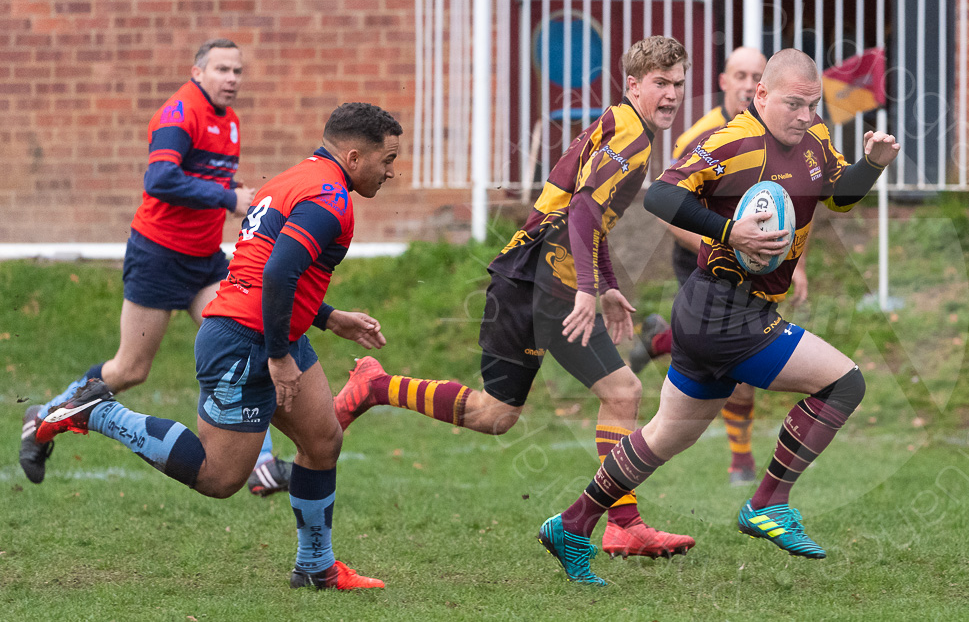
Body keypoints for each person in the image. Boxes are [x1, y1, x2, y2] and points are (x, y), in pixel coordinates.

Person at [536, 48, 900, 585]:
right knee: (844, 383)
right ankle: (768, 504)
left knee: (664, 437)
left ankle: (572, 523)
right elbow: (660, 196)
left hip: (718, 312)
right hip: (724, 312)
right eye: (794, 104)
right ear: (761, 96)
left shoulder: (816, 137)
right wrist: (729, 232)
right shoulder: (732, 141)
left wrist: (871, 164)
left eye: (812, 104)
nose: (804, 115)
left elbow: (839, 197)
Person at [331, 36, 696, 560]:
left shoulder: (622, 125)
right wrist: (590, 290)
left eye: (679, 84)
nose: (671, 95)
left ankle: (376, 386)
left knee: (496, 414)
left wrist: (608, 284)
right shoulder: (631, 137)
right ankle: (623, 524)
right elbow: (585, 215)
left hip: (524, 274)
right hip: (548, 277)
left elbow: (589, 216)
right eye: (660, 84)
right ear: (633, 85)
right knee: (622, 392)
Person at [34, 102, 401, 590]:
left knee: (322, 440)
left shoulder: (292, 181)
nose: (391, 172)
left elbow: (262, 271)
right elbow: (276, 274)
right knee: (219, 477)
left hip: (266, 331)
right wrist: (277, 358)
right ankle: (98, 411)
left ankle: (316, 567)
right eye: (388, 160)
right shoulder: (330, 199)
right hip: (246, 342)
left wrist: (331, 318)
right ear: (354, 157)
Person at [18, 39, 292, 497]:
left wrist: (233, 191)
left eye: (238, 71)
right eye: (222, 69)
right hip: (159, 257)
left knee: (247, 342)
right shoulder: (179, 113)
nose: (232, 79)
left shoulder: (231, 121)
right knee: (129, 370)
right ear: (197, 71)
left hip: (205, 260)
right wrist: (228, 199)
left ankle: (261, 465)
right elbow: (160, 179)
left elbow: (204, 178)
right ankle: (44, 416)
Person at [628, 46, 810, 487]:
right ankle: (741, 461)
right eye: (739, 75)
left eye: (755, 76)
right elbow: (667, 210)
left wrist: (792, 261)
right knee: (735, 364)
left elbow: (794, 202)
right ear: (724, 82)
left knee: (726, 359)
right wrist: (725, 246)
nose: (747, 84)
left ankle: (660, 337)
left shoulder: (781, 135)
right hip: (701, 258)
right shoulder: (703, 136)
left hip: (756, 260)